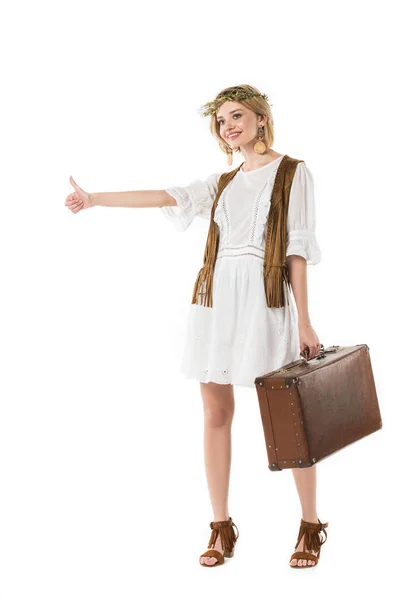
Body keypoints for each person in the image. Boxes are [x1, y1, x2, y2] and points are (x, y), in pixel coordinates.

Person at [64, 84, 328, 569]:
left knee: (287, 415)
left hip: (265, 304)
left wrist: (306, 321)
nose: (229, 126)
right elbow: (166, 195)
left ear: (260, 119)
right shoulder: (221, 183)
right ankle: (221, 525)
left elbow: (297, 247)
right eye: (222, 121)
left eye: (237, 115)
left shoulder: (294, 172)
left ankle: (310, 525)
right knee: (214, 413)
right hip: (216, 303)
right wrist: (95, 198)